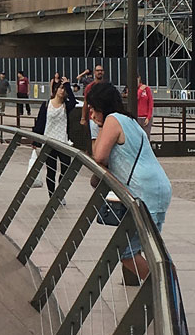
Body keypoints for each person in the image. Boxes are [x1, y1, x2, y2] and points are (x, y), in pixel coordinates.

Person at [83, 81, 171, 282]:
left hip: (145, 191)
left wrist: (95, 131)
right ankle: (166, 288)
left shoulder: (113, 120)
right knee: (153, 249)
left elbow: (99, 156)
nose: (91, 115)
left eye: (92, 110)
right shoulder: (128, 120)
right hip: (154, 188)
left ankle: (163, 291)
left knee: (127, 253)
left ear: (101, 107)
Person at [34, 75, 74, 193]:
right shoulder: (47, 105)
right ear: (55, 90)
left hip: (63, 141)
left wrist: (67, 85)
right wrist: (36, 140)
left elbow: (73, 101)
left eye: (65, 89)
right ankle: (52, 195)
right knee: (51, 171)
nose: (63, 91)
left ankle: (60, 193)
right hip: (49, 141)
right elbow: (40, 122)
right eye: (61, 88)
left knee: (65, 170)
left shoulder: (66, 105)